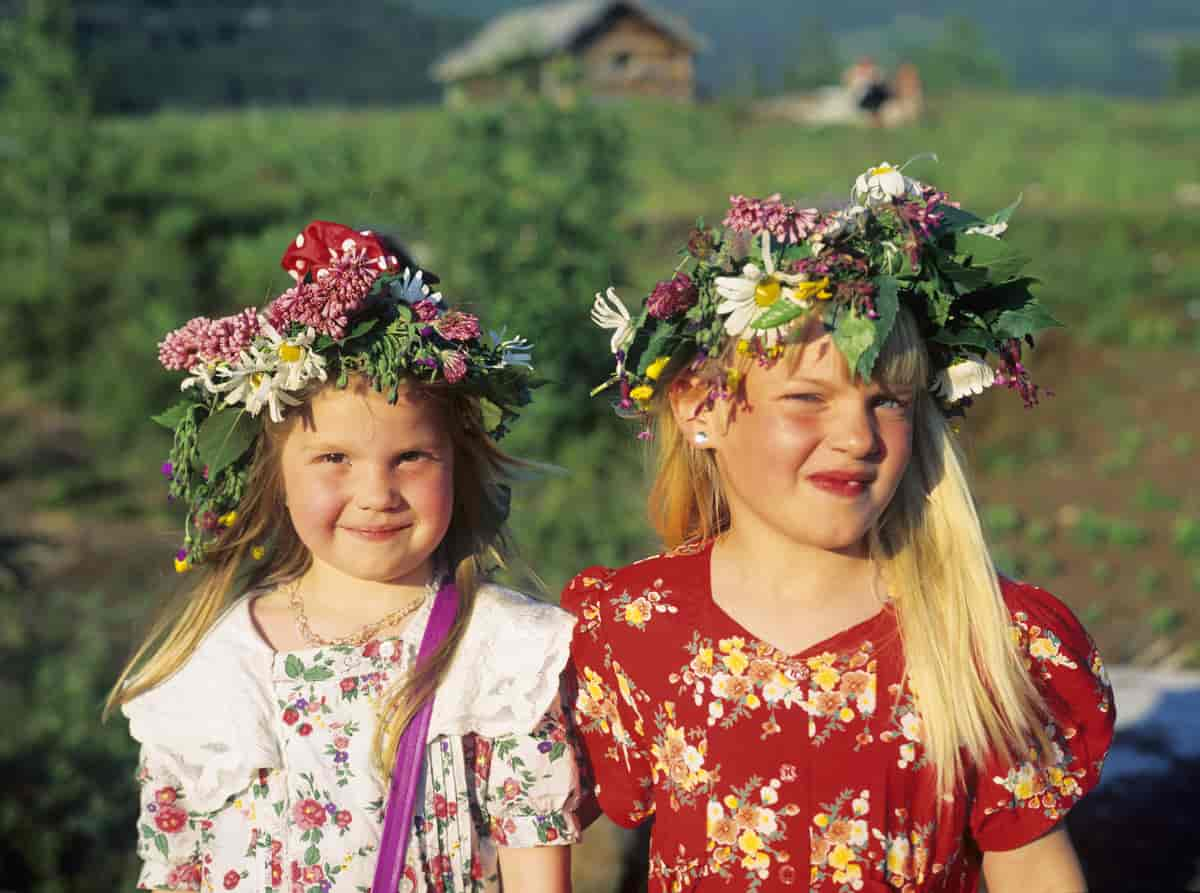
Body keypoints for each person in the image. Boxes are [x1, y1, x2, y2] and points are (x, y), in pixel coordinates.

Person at [568, 165, 1114, 892]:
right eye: (807, 398)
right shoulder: (630, 628)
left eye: (887, 401)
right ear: (700, 407)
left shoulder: (978, 633)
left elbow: (1032, 865)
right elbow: (530, 832)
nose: (856, 436)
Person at [107, 221, 585, 892]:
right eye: (334, 458)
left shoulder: (501, 660)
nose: (376, 494)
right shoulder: (207, 673)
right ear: (273, 470)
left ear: (457, 458)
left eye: (410, 457)